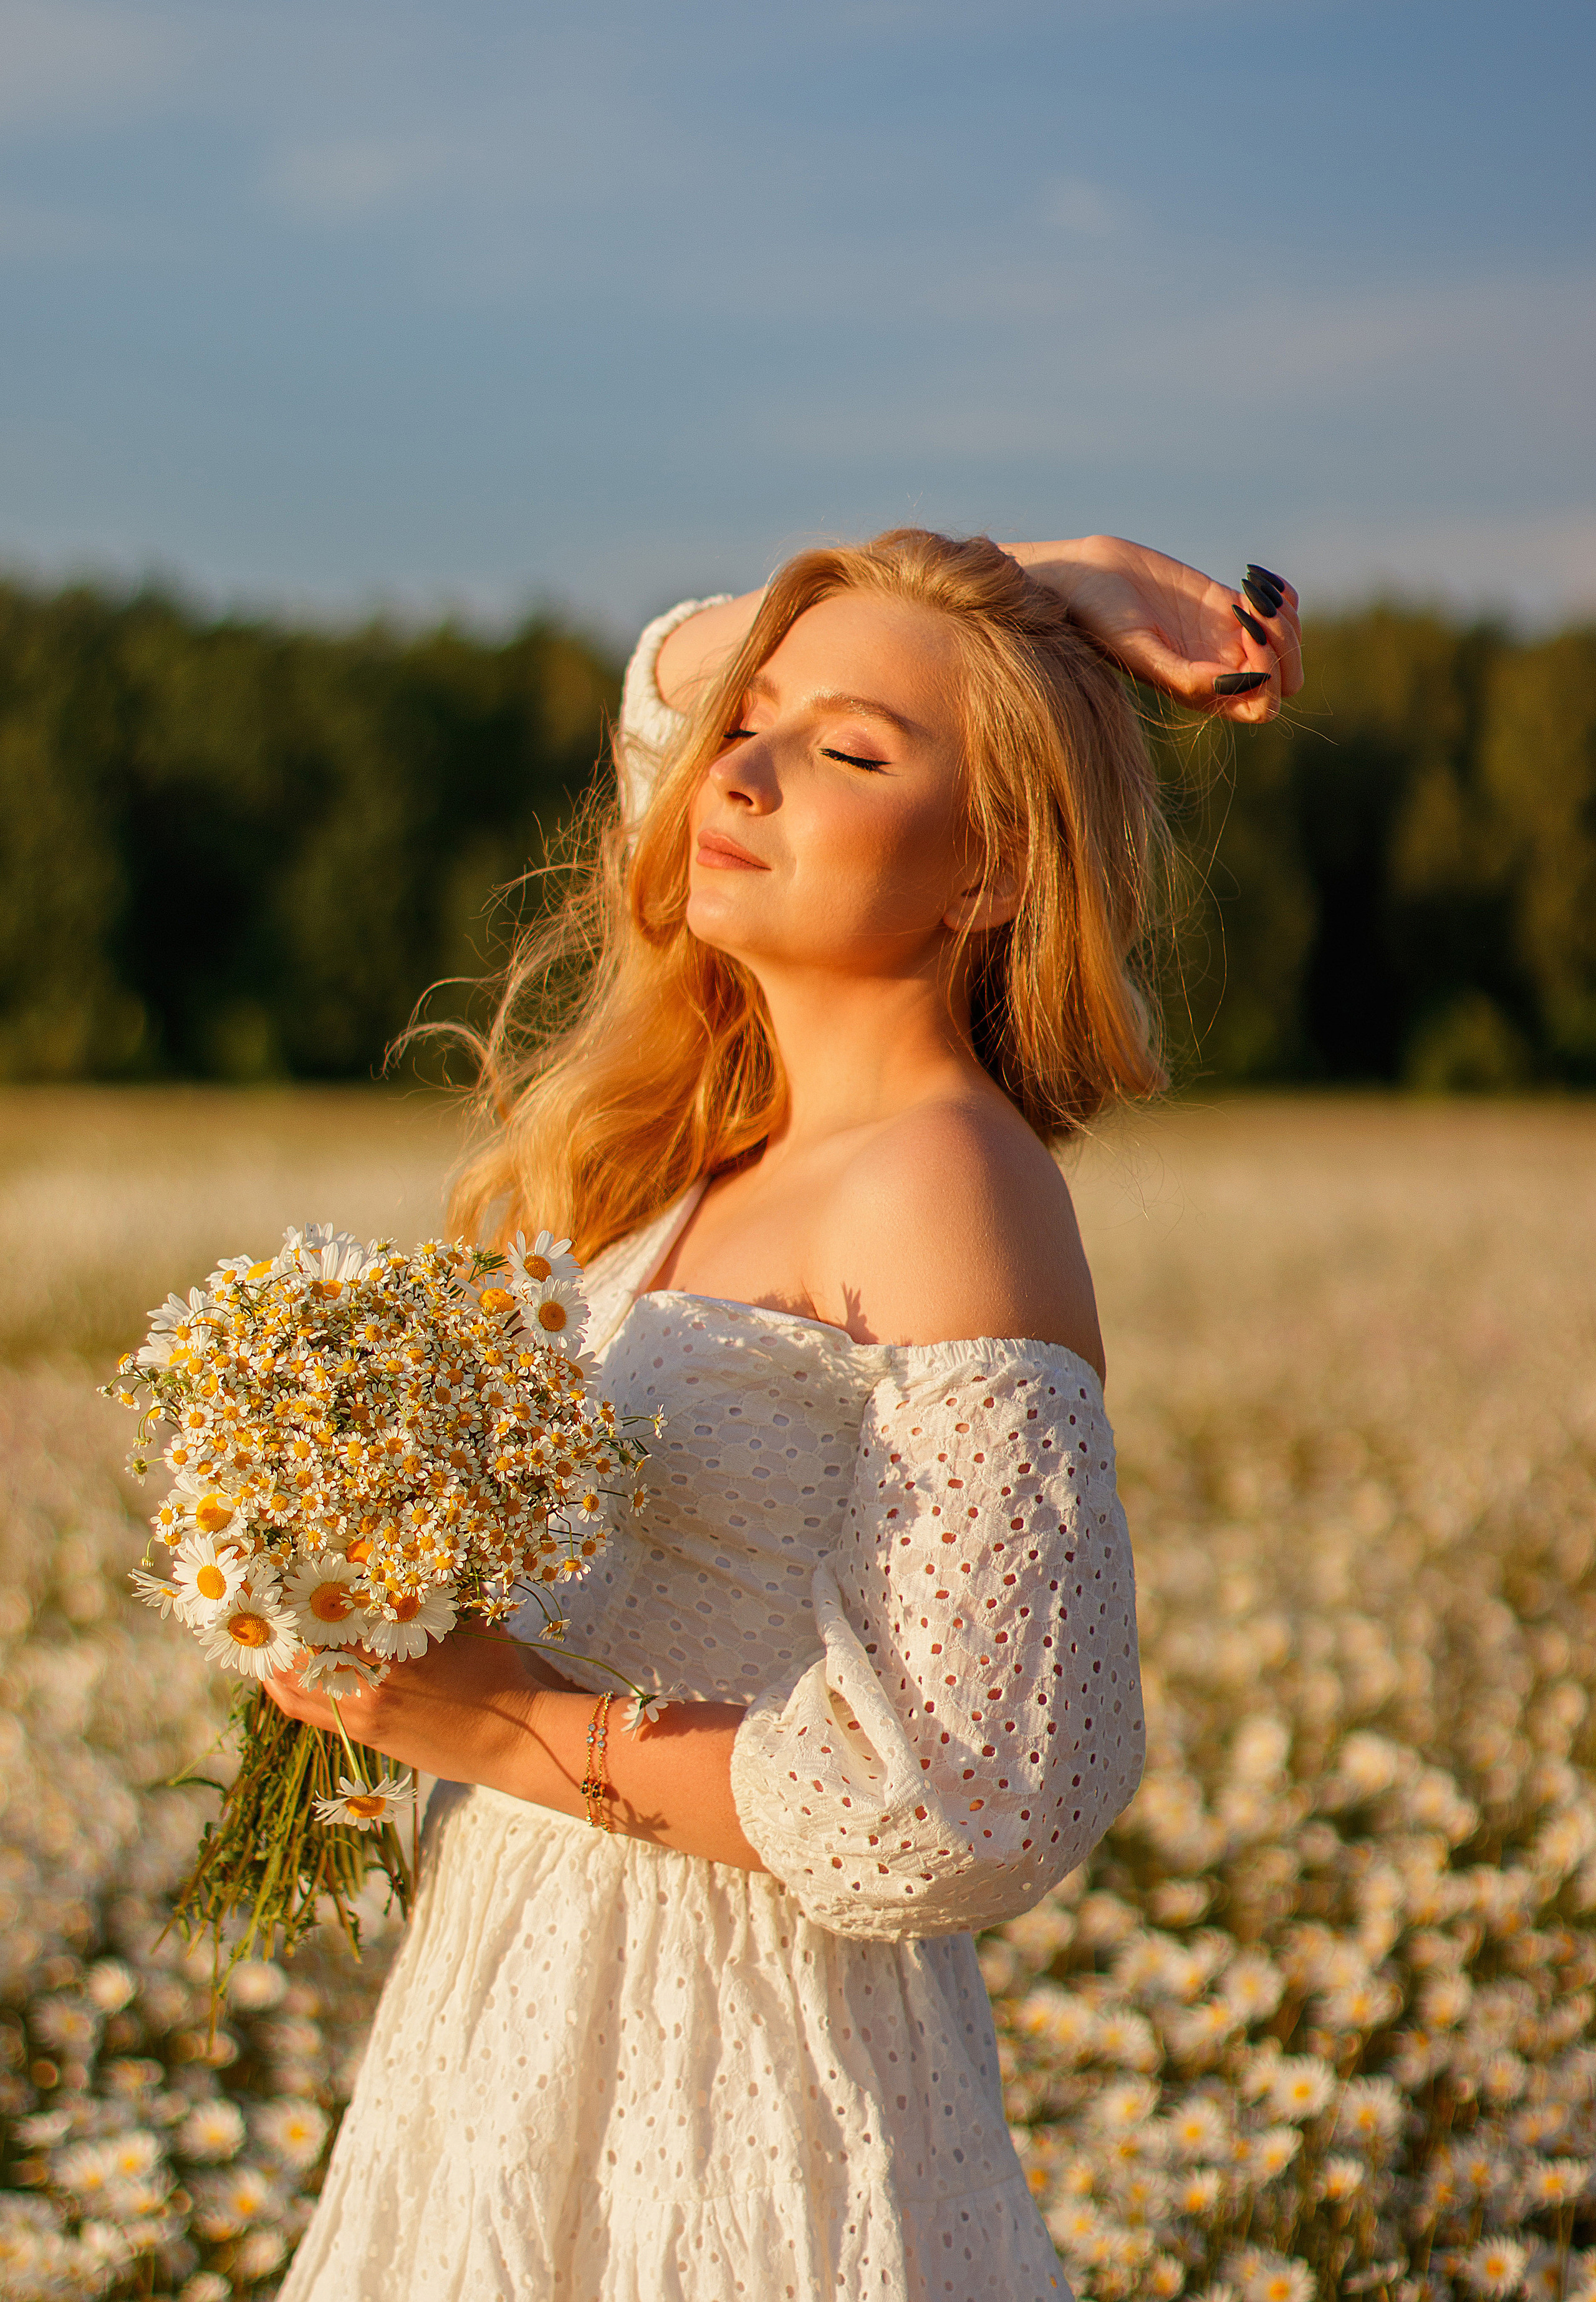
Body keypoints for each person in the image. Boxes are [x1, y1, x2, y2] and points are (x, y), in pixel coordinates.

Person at [269, 529, 1302, 2301]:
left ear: (989, 870)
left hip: (739, 2067)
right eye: (753, 724)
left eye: (849, 751)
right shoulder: (725, 1151)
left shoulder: (947, 1183)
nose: (736, 768)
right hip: (517, 2022)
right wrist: (1025, 573)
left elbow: (981, 1797)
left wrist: (505, 1721)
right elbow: (669, 683)